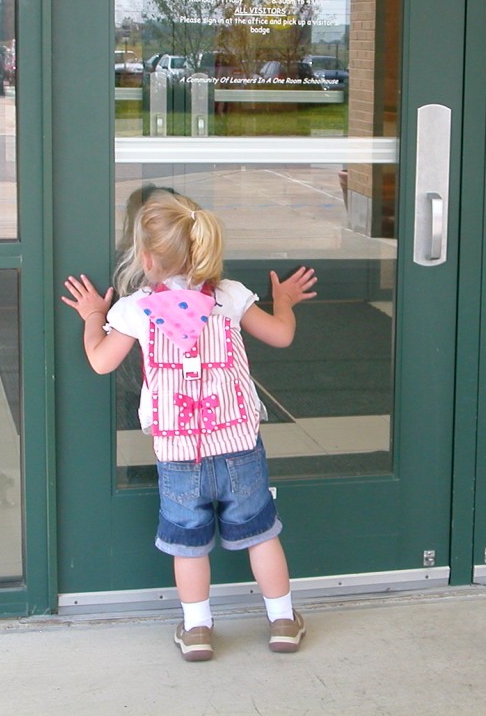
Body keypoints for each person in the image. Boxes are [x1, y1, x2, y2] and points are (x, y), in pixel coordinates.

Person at [61, 188, 317, 661]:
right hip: (240, 444)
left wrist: (94, 315)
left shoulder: (135, 309)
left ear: (144, 257)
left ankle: (197, 628)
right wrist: (284, 301)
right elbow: (281, 335)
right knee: (261, 533)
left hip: (179, 456)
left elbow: (99, 362)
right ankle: (283, 619)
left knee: (188, 544)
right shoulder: (231, 295)